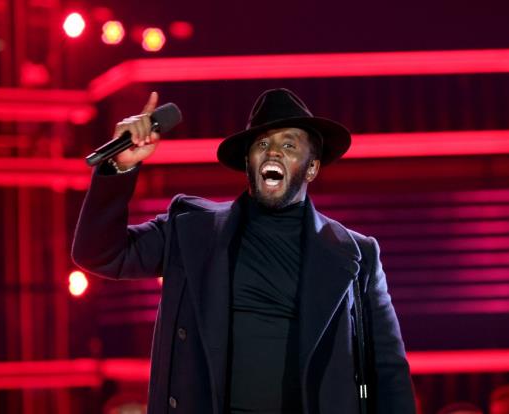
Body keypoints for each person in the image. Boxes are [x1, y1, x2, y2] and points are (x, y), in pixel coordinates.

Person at [72, 88, 415, 414]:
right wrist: (120, 167)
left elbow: (389, 371)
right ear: (248, 162)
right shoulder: (192, 230)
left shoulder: (357, 254)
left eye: (289, 144)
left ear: (312, 167)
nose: (273, 151)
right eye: (262, 143)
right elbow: (99, 253)